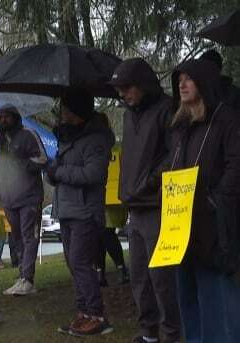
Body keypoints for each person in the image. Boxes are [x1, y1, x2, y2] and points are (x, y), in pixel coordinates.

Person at [108, 57, 181, 343]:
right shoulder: (129, 114)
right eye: (119, 89)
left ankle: (172, 335)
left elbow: (174, 156)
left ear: (142, 85)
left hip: (158, 207)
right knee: (139, 276)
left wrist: (146, 184)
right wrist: (127, 190)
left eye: (126, 87)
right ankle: (149, 334)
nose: (122, 94)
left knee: (162, 278)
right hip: (134, 209)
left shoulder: (167, 110)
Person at [168, 59, 240, 342]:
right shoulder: (181, 127)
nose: (182, 84)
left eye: (189, 78)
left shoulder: (228, 120)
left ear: (205, 83)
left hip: (214, 226)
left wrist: (214, 202)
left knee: (217, 300)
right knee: (188, 298)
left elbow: (236, 167)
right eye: (179, 79)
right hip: (182, 225)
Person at [46, 89, 114, 336]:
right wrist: (50, 170)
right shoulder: (67, 137)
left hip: (85, 210)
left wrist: (59, 172)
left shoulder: (96, 139)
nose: (62, 113)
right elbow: (59, 171)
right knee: (73, 263)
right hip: (66, 208)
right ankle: (83, 312)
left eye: (66, 108)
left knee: (80, 262)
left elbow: (92, 174)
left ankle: (96, 314)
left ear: (77, 111)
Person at [0, 105, 47, 295]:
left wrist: (21, 164)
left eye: (7, 117)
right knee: (17, 238)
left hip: (29, 197)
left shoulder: (28, 134)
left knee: (29, 236)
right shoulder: (0, 140)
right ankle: (22, 275)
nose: (3, 120)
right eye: (0, 117)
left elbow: (42, 158)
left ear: (15, 118)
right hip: (9, 198)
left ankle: (28, 278)